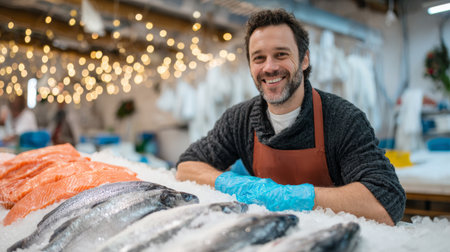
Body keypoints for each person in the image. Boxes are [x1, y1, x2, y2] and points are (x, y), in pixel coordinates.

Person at [176, 9, 405, 226]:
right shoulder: (239, 120)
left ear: (304, 60)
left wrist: (295, 197)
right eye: (258, 58)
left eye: (281, 54)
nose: (269, 67)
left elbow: (386, 202)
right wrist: (234, 184)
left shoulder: (343, 119)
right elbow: (186, 166)